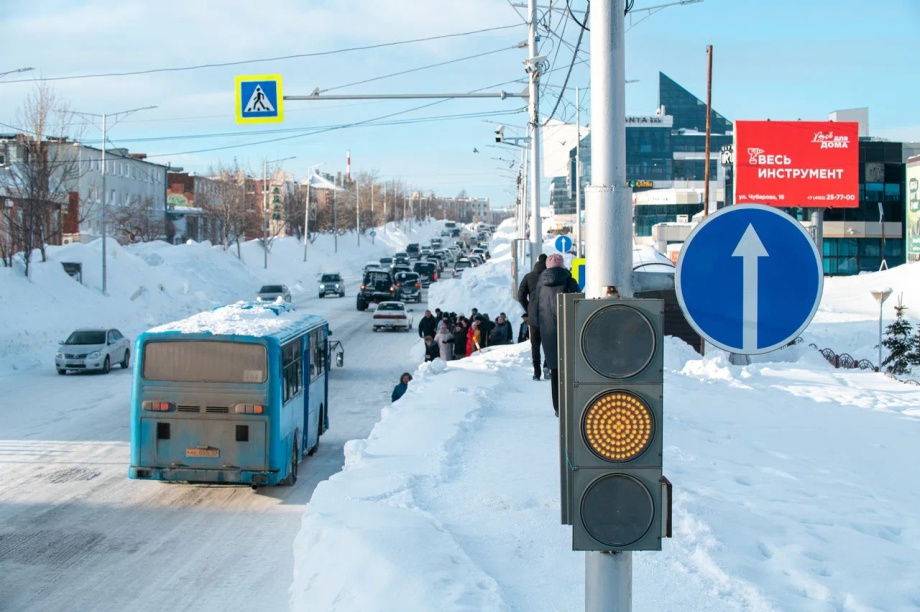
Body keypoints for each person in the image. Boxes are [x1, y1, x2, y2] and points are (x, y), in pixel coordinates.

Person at [535, 253, 580, 416]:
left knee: (555, 369)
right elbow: (578, 304)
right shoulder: (569, 280)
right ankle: (572, 405)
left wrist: (540, 328)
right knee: (572, 367)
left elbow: (535, 308)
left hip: (548, 331)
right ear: (562, 265)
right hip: (569, 329)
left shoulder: (540, 283)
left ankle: (558, 408)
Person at [517, 253, 547, 380]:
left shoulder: (529, 277)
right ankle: (547, 367)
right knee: (549, 343)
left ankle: (536, 372)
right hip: (549, 315)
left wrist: (529, 309)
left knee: (535, 345)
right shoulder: (550, 276)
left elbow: (520, 296)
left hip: (534, 316)